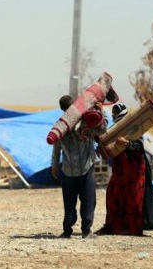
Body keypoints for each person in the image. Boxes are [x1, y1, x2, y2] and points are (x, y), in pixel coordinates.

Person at [95, 103, 153, 236]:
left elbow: (139, 146)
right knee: (113, 195)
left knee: (134, 198)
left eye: (115, 115)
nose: (114, 117)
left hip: (135, 170)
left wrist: (128, 144)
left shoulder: (135, 126)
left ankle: (134, 228)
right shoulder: (114, 129)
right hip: (120, 170)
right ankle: (113, 226)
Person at [51, 95, 108, 238]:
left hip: (68, 169)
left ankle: (67, 231)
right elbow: (102, 129)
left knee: (69, 201)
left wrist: (55, 165)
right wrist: (102, 112)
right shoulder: (86, 122)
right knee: (88, 200)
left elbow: (56, 147)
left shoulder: (60, 126)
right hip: (85, 168)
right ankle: (86, 231)